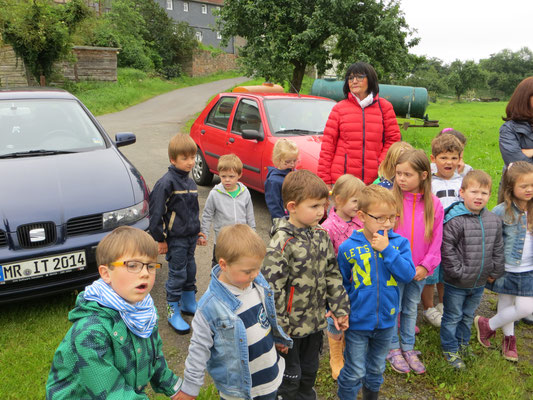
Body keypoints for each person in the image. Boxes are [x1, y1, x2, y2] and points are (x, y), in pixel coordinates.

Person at [46, 226, 182, 399]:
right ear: (106, 273)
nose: (145, 274)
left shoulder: (144, 313)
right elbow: (111, 393)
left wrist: (175, 387)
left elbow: (153, 357)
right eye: (133, 265)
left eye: (150, 266)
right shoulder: (90, 332)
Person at [262, 169, 350, 400]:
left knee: (309, 372)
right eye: (314, 207)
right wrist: (279, 332)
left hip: (315, 324)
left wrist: (340, 308)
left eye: (323, 206)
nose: (321, 212)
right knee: (289, 378)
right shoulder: (282, 243)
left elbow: (332, 273)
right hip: (290, 330)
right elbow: (272, 291)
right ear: (292, 206)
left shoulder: (320, 235)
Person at [177, 225, 292, 400]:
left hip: (269, 377)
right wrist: (190, 388)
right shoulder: (210, 306)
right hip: (239, 391)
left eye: (257, 268)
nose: (255, 274)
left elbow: (264, 319)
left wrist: (275, 339)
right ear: (224, 264)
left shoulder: (257, 284)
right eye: (248, 271)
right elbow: (198, 349)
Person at [337, 185, 416, 400]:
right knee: (355, 371)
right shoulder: (347, 248)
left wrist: (387, 249)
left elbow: (408, 275)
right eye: (380, 218)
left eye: (392, 217)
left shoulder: (399, 244)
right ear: (361, 216)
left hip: (387, 323)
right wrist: (338, 311)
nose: (387, 224)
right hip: (357, 322)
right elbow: (340, 284)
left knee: (376, 369)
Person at [386, 149, 444, 375]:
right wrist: (393, 263)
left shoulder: (434, 204)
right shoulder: (390, 200)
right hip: (393, 269)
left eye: (407, 174)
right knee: (393, 308)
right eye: (398, 173)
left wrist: (426, 266)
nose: (401, 179)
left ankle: (408, 347)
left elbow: (437, 240)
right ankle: (392, 348)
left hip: (419, 271)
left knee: (410, 308)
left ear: (423, 175)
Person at [440, 170, 505, 369]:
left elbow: (498, 247)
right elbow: (447, 248)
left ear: (489, 196)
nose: (479, 197)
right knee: (452, 316)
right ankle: (450, 348)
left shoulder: (493, 220)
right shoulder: (455, 219)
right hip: (457, 282)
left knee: (468, 315)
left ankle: (463, 343)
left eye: (484, 193)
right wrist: (457, 272)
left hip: (479, 282)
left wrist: (495, 271)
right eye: (474, 192)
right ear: (462, 192)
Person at [475, 161, 533, 361]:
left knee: (526, 307)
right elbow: (491, 241)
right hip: (506, 268)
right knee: (506, 302)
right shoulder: (501, 211)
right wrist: (491, 266)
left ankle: (487, 325)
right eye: (524, 186)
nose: (529, 190)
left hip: (529, 269)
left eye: (532, 185)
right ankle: (509, 339)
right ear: (510, 187)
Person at [149, 133, 205, 334]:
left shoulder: (190, 183)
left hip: (190, 238)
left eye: (193, 157)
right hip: (175, 240)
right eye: (185, 158)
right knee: (177, 274)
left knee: (190, 270)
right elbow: (156, 213)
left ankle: (189, 304)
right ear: (173, 159)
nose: (190, 162)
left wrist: (197, 231)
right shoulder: (166, 183)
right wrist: (160, 239)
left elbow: (192, 211)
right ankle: (172, 311)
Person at [317, 61, 401, 186]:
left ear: (370, 79)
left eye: (359, 77)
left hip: (376, 182)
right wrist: (324, 180)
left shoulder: (385, 108)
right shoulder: (339, 108)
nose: (354, 81)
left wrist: (381, 164)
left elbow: (393, 140)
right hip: (343, 182)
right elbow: (328, 147)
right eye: (350, 78)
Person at [321, 173, 365, 380]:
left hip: (357, 282)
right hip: (336, 284)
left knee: (351, 314)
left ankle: (348, 346)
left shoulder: (361, 223)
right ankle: (336, 355)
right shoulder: (328, 228)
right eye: (355, 201)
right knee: (334, 319)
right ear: (338, 200)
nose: (359, 205)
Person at [498, 77, 533, 325]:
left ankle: (527, 304)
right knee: (513, 244)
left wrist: (527, 153)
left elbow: (523, 157)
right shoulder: (509, 129)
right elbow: (515, 163)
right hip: (516, 193)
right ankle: (507, 309)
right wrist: (525, 156)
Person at [422, 134, 464, 328]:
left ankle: (443, 304)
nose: (449, 162)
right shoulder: (429, 182)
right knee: (431, 273)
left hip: (454, 237)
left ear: (460, 159)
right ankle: (428, 307)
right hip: (432, 235)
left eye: (454, 158)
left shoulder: (462, 181)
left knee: (447, 273)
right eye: (444, 158)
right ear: (433, 159)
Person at [199, 154, 255, 266]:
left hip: (240, 240)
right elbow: (207, 215)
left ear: (239, 175)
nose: (227, 180)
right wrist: (203, 234)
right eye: (223, 176)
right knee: (219, 266)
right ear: (219, 174)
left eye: (231, 176)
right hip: (221, 241)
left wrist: (252, 234)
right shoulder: (215, 194)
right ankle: (217, 283)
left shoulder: (245, 192)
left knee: (237, 265)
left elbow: (250, 215)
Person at [265, 139, 300, 219]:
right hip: (283, 219)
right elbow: (273, 205)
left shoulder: (295, 173)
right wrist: (280, 222)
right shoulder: (273, 181)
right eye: (287, 161)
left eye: (294, 161)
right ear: (278, 160)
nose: (292, 164)